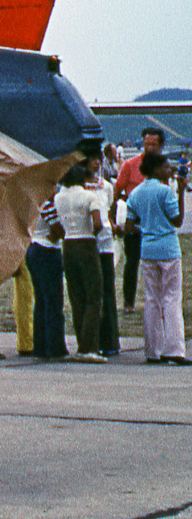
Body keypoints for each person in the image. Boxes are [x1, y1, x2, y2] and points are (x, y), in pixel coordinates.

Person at [125, 152, 188, 365]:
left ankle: (153, 350)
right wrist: (180, 192)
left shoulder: (135, 194)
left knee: (152, 299)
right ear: (155, 169)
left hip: (147, 249)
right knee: (171, 297)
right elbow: (178, 220)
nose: (169, 170)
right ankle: (174, 349)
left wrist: (146, 227)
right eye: (165, 167)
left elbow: (128, 226)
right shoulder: (164, 191)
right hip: (168, 248)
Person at [56, 163, 106, 363]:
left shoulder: (58, 198)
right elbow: (98, 223)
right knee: (94, 296)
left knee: (76, 296)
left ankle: (80, 343)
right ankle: (89, 346)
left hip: (68, 243)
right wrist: (92, 236)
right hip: (85, 241)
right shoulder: (89, 196)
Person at [112, 128, 166, 311]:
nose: (149, 147)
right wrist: (114, 220)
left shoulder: (163, 168)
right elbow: (117, 191)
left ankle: (158, 302)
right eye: (146, 144)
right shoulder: (130, 165)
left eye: (153, 144)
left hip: (155, 222)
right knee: (132, 261)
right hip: (133, 221)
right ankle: (128, 302)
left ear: (160, 146)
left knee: (158, 264)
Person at [25, 189, 68, 360]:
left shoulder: (33, 204)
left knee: (41, 301)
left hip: (34, 247)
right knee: (53, 301)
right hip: (47, 250)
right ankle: (55, 347)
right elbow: (59, 230)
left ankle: (40, 346)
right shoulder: (47, 206)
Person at [88, 154, 120, 356]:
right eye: (93, 159)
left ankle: (110, 340)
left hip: (105, 243)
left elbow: (108, 211)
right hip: (89, 241)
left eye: (98, 159)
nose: (97, 163)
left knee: (107, 290)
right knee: (93, 292)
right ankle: (94, 339)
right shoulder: (77, 187)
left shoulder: (106, 186)